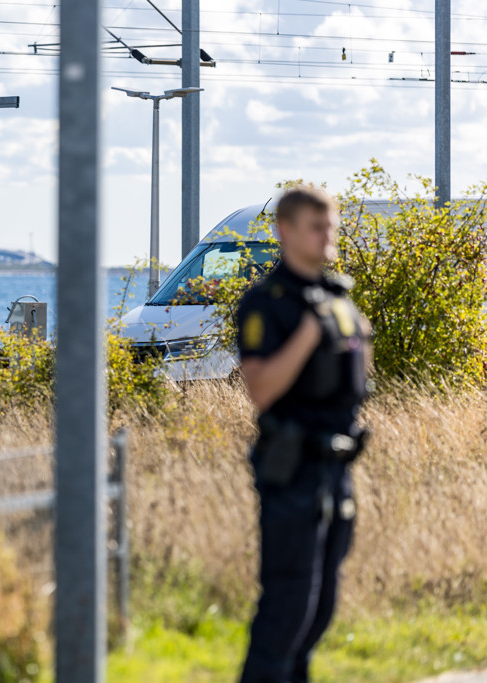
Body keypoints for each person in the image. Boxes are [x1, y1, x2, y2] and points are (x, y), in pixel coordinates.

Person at [236, 186, 372, 683]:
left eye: (331, 225)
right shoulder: (266, 303)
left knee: (319, 609)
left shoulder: (338, 299)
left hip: (337, 470)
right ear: (285, 231)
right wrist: (312, 332)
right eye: (316, 227)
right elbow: (263, 389)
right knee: (287, 607)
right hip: (292, 469)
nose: (326, 236)